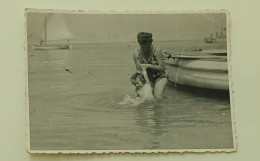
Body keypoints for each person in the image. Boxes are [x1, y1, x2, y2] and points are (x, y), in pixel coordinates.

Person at [130, 32, 168, 99]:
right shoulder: (136, 53)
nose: (145, 49)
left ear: (151, 42)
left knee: (158, 96)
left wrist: (148, 65)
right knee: (142, 97)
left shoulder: (156, 50)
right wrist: (136, 81)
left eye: (148, 46)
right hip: (147, 77)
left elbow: (162, 67)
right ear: (139, 42)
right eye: (143, 46)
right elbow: (139, 71)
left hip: (160, 75)